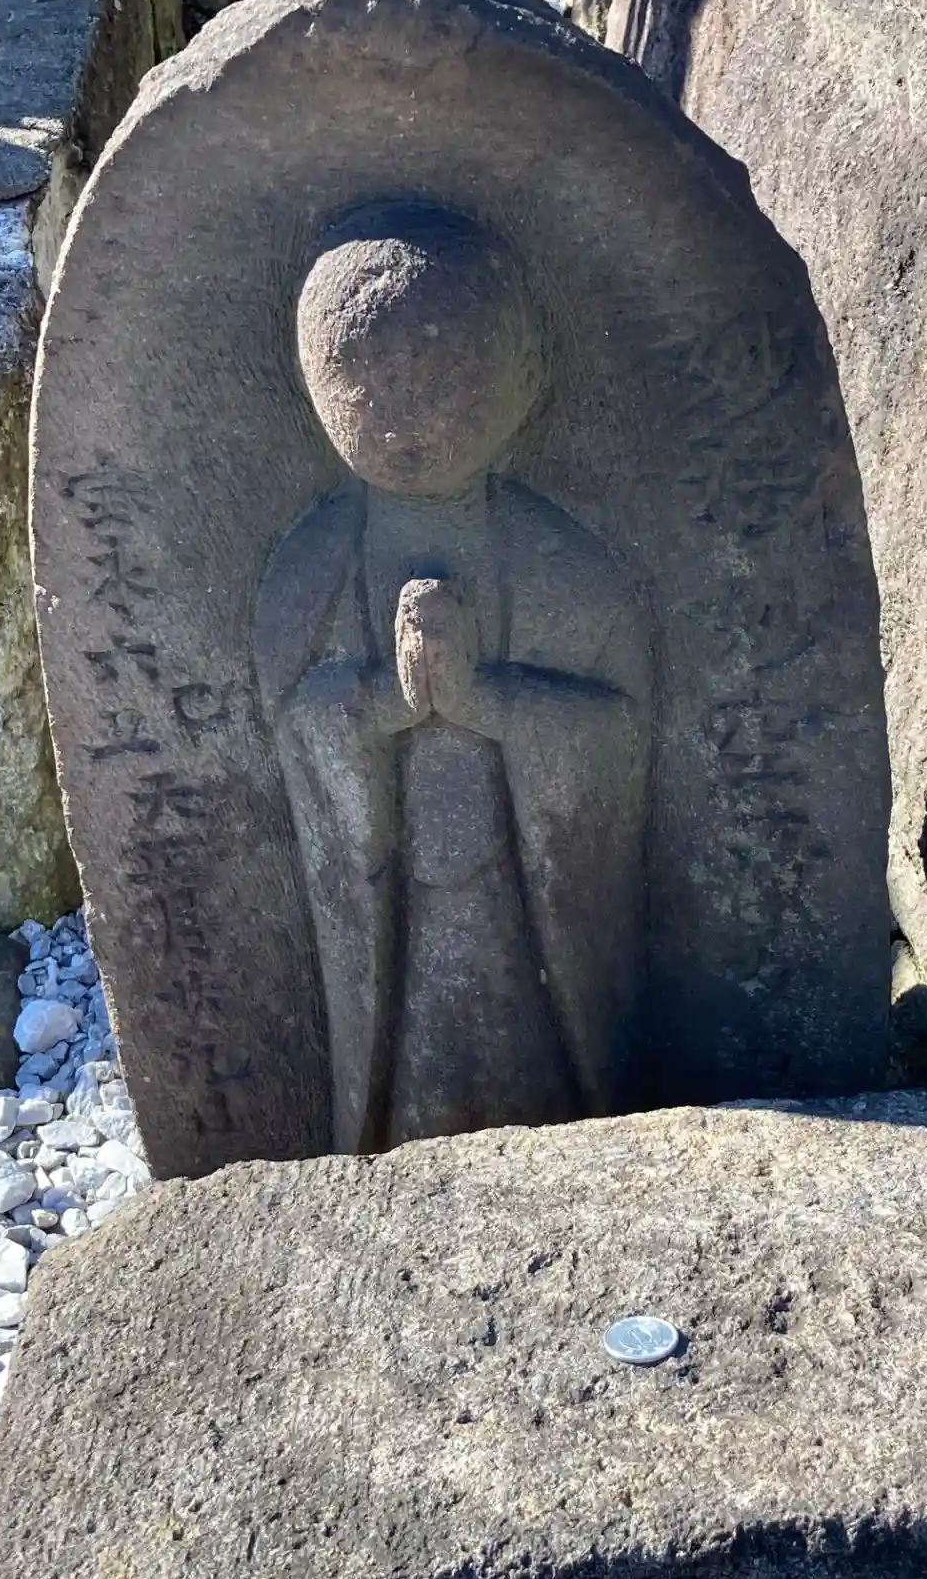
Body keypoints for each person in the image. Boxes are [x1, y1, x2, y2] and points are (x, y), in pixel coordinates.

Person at [254, 204, 650, 1152]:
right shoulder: (309, 568)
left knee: (533, 1079)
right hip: (393, 912)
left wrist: (489, 703)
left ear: (521, 379)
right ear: (315, 390)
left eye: (442, 377)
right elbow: (289, 726)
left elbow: (624, 732)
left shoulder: (566, 563)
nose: (405, 418)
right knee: (412, 1090)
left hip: (524, 902)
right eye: (365, 381)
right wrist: (378, 707)